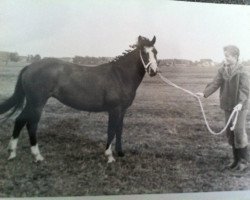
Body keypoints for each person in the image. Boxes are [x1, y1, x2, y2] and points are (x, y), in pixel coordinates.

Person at [197, 45, 250, 171]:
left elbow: (245, 89)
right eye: (225, 55)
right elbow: (215, 83)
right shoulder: (222, 70)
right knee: (230, 133)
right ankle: (235, 160)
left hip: (240, 107)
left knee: (238, 131)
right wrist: (204, 93)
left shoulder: (243, 70)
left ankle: (243, 161)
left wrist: (240, 103)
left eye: (227, 56)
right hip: (228, 105)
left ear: (235, 57)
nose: (225, 58)